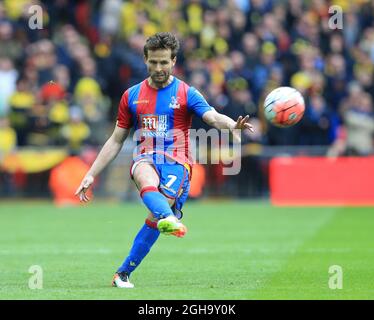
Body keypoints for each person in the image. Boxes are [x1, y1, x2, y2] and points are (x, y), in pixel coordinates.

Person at [75, 32, 253, 288]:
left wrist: (231, 126)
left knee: (155, 217)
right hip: (146, 156)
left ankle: (123, 272)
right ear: (145, 60)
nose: (158, 68)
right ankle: (167, 216)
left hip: (177, 162)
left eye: (164, 63)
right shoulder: (131, 96)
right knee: (143, 174)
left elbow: (212, 117)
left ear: (173, 61)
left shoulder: (186, 93)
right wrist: (92, 173)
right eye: (153, 62)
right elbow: (116, 140)